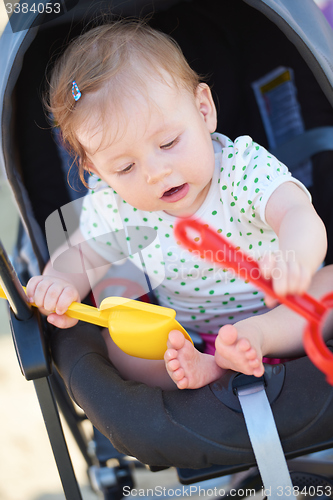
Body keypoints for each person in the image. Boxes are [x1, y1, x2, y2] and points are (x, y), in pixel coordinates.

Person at [26, 20, 329, 391]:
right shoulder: (114, 206)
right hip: (187, 338)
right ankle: (211, 366)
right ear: (97, 172)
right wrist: (58, 282)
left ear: (203, 111)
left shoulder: (239, 168)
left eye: (168, 143)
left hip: (284, 311)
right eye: (125, 167)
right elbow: (80, 255)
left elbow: (297, 212)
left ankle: (257, 337)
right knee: (119, 350)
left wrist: (295, 255)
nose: (156, 173)